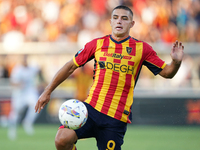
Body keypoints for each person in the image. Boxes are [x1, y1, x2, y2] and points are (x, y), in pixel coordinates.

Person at [35, 5, 184, 150]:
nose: (119, 21)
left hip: (115, 118)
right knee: (62, 139)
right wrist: (48, 91)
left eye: (124, 18)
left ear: (132, 24)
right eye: (116, 18)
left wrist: (176, 62)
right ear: (110, 22)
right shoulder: (97, 44)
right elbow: (70, 66)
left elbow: (167, 73)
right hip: (91, 110)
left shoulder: (142, 49)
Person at [8, 55, 44, 140]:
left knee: (36, 105)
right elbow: (12, 82)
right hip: (19, 94)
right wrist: (19, 84)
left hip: (29, 92)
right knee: (16, 113)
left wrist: (41, 81)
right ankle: (12, 130)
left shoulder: (32, 68)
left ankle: (27, 122)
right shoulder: (17, 69)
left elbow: (40, 71)